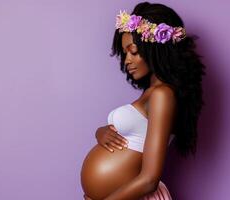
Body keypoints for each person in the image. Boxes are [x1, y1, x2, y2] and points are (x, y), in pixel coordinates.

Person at [81, 2, 206, 200]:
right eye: (124, 53)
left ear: (154, 48)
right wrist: (101, 132)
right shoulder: (153, 93)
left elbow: (150, 179)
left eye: (133, 51)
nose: (127, 60)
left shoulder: (162, 95)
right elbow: (136, 134)